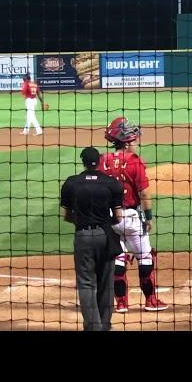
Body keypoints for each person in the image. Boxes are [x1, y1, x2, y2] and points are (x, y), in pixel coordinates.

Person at [97, 117, 169, 312]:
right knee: (145, 257)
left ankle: (121, 303)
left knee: (118, 259)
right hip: (131, 218)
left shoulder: (102, 161)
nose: (136, 142)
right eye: (134, 140)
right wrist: (149, 217)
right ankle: (151, 301)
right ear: (126, 141)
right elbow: (144, 193)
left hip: (109, 219)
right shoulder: (134, 162)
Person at [60, 147, 124, 331]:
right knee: (106, 282)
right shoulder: (111, 183)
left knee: (87, 284)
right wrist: (105, 223)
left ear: (83, 162)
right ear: (100, 161)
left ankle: (94, 327)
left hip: (83, 236)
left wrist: (81, 222)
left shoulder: (72, 183)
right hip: (105, 236)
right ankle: (105, 325)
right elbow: (118, 217)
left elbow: (66, 215)